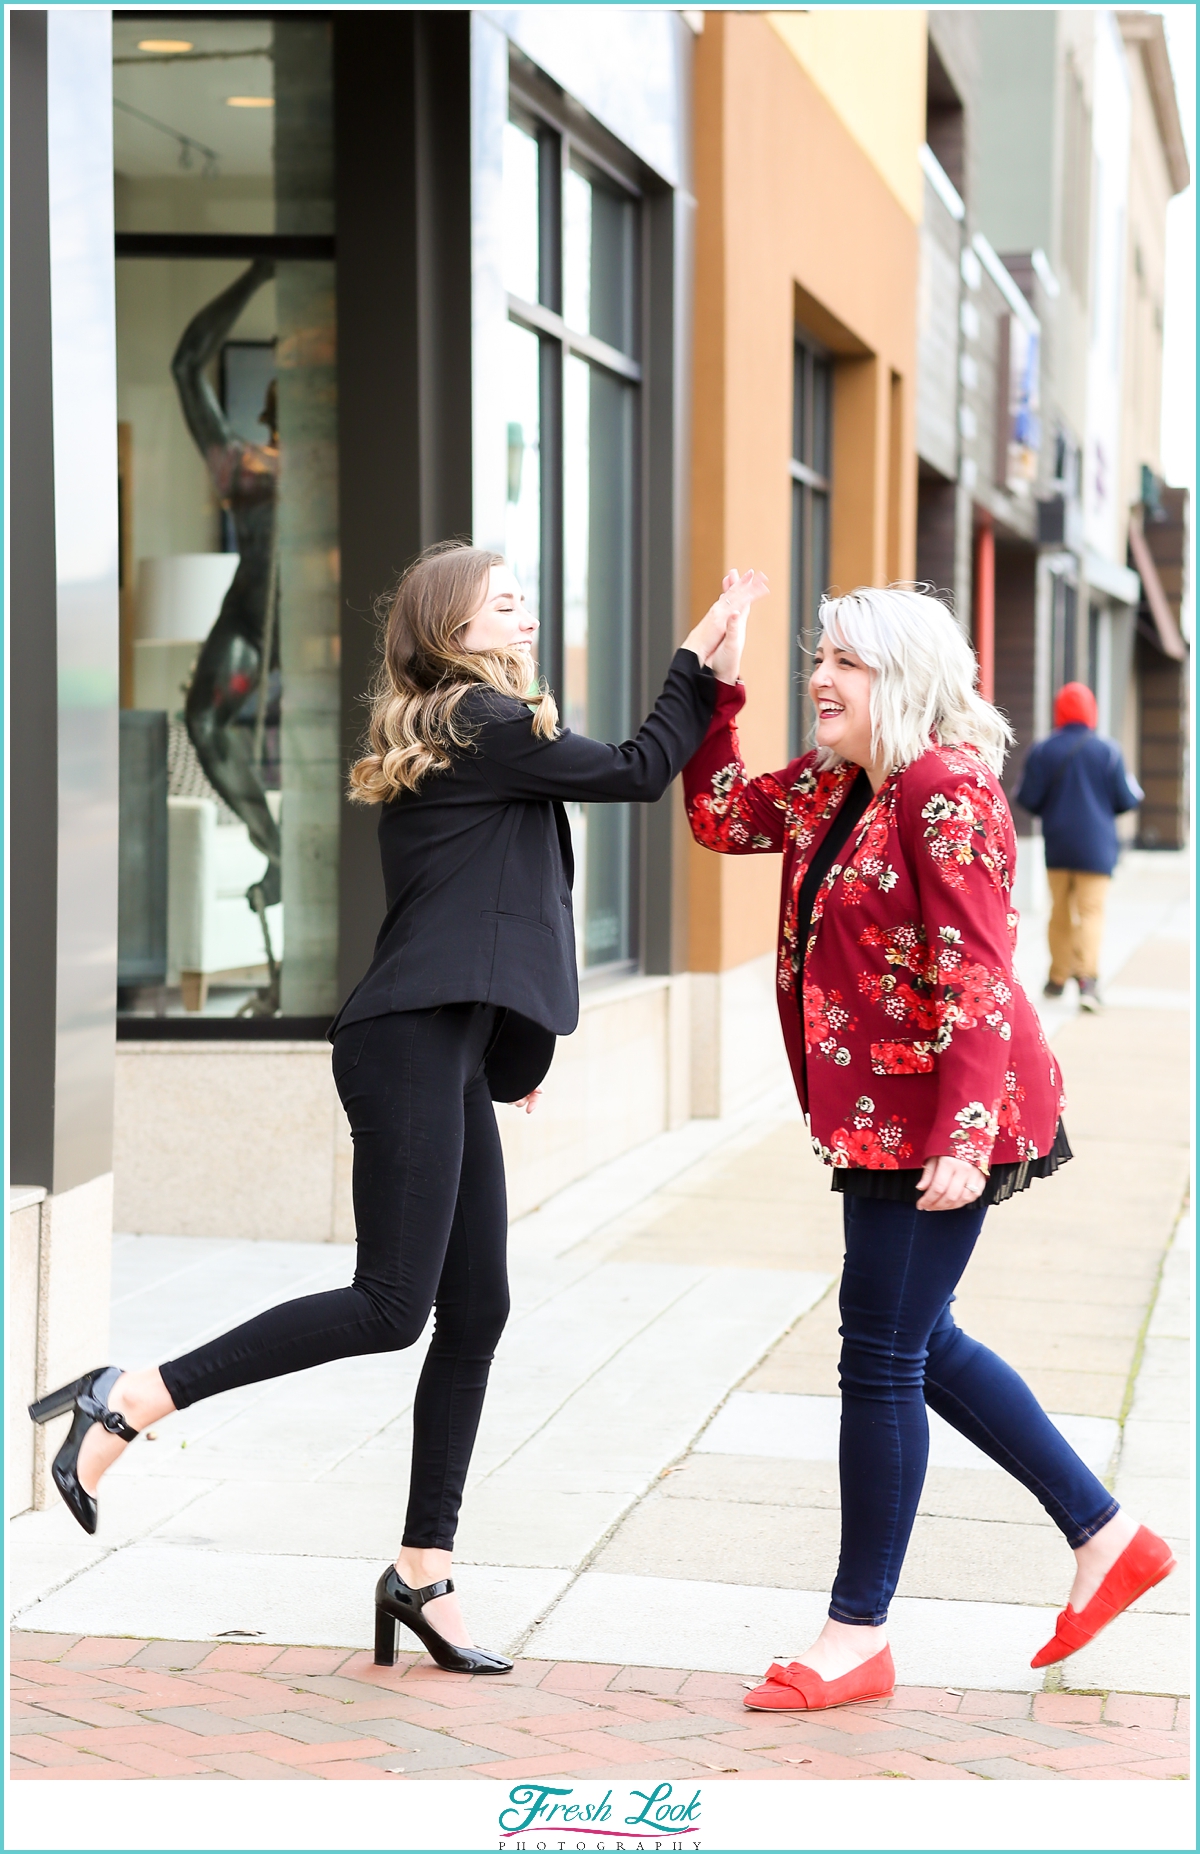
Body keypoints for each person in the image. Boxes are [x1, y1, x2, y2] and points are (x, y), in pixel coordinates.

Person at [30, 543, 768, 1676]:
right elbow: (633, 770)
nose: (516, 595)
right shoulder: (480, 717)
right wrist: (693, 665)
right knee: (392, 1305)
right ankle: (128, 1398)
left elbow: (501, 897)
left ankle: (422, 1572)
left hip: (447, 1046)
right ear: (447, 623)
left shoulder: (475, 724)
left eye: (519, 584)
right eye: (495, 590)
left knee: (476, 1311)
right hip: (409, 1041)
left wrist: (510, 1047)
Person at [684, 583, 1174, 1713]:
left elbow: (979, 968)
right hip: (882, 1116)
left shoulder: (946, 790)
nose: (822, 679)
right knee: (918, 1340)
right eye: (819, 656)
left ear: (903, 676)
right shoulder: (833, 785)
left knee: (882, 1356)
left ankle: (857, 1633)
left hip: (949, 1116)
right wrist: (714, 686)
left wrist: (959, 1135)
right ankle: (1108, 1537)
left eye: (846, 662)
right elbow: (719, 816)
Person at [1015, 681, 1143, 1012]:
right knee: (1091, 911)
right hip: (1097, 846)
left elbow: (1028, 798)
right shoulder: (1108, 751)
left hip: (1058, 843)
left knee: (1059, 911)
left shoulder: (1044, 749)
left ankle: (1057, 978)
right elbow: (1126, 800)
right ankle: (1087, 981)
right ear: (1091, 711)